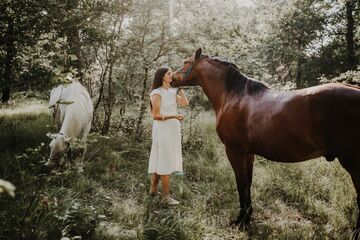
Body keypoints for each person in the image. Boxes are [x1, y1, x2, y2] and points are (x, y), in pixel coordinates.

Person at [148, 66, 189, 205]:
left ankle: (153, 189)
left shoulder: (171, 91)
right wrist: (174, 116)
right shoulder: (157, 93)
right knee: (165, 159)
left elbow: (185, 103)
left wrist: (180, 88)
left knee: (163, 157)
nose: (172, 75)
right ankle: (166, 196)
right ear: (162, 77)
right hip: (163, 129)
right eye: (169, 73)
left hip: (173, 129)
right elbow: (155, 115)